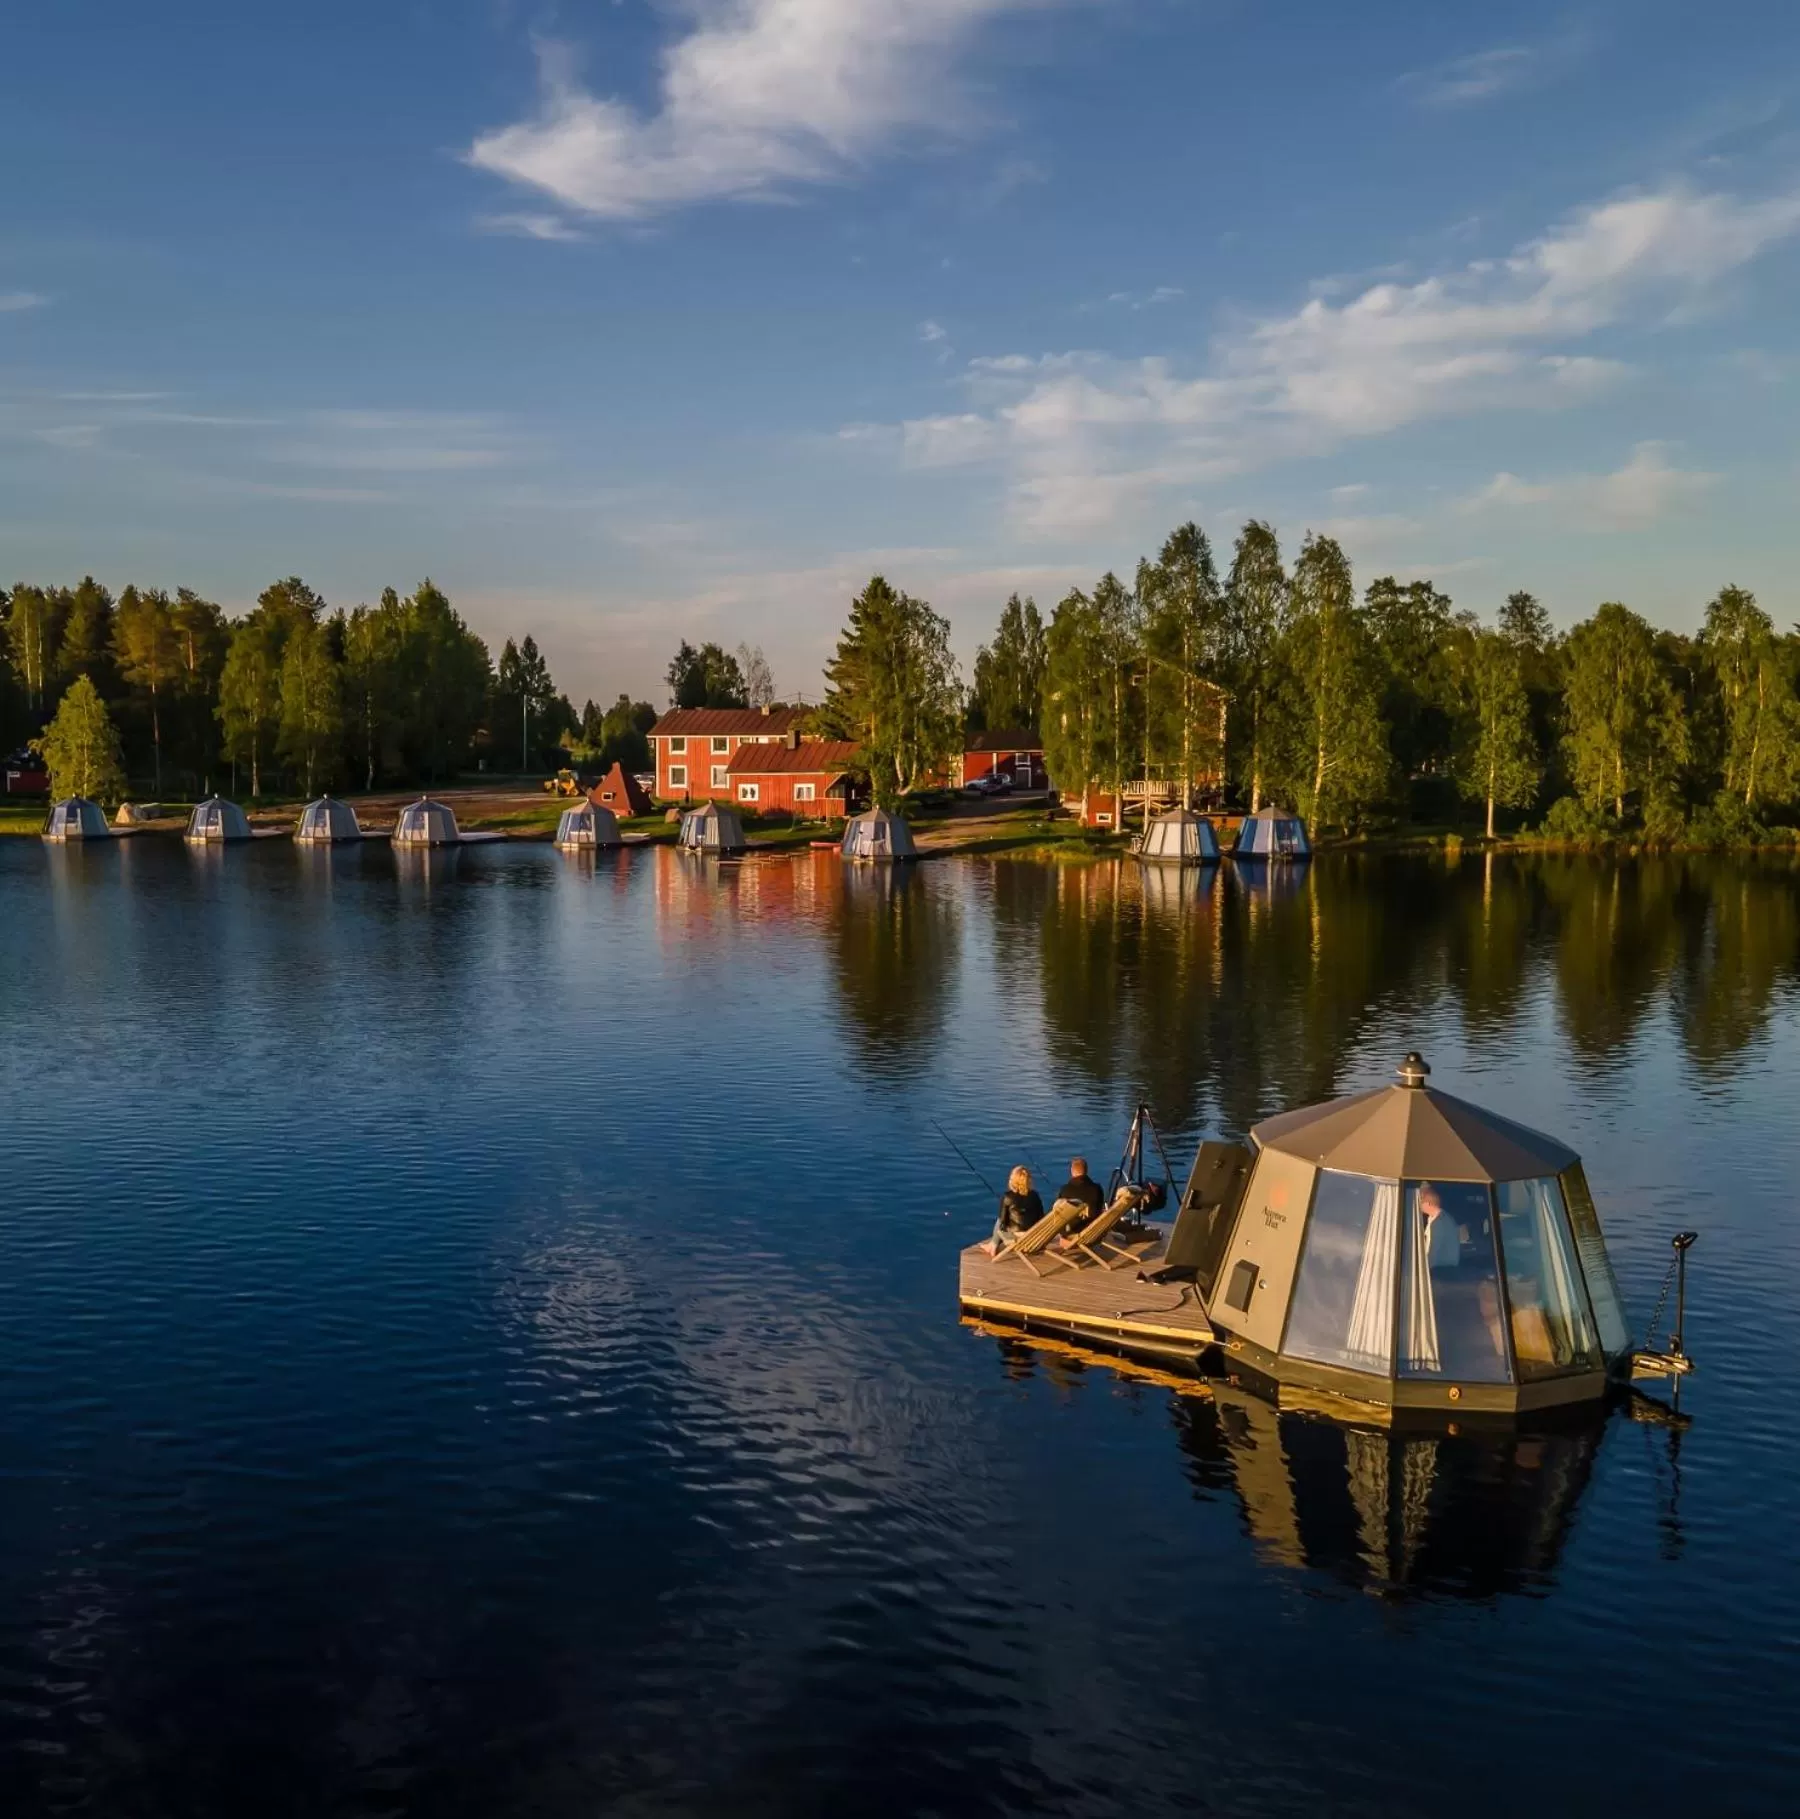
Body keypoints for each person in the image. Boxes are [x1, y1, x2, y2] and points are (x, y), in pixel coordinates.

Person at [987, 1166, 1044, 1255]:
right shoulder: (1035, 1195)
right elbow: (1041, 1217)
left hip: (1016, 1236)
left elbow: (1002, 1222)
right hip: (1032, 1235)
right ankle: (991, 1245)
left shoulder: (1007, 1196)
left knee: (999, 1221)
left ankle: (993, 1246)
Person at [1420, 1182, 1463, 1271]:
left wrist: (1423, 1270)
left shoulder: (1439, 1222)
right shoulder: (1437, 1218)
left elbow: (1433, 1250)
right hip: (1441, 1269)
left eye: (1421, 1202)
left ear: (1428, 1204)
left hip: (1442, 1270)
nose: (1419, 1205)